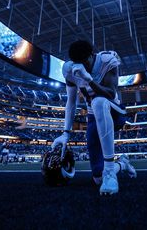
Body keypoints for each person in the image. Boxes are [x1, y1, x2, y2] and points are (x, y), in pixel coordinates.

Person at [52, 40, 137, 195]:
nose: (83, 67)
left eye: (86, 62)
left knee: (98, 102)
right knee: (97, 177)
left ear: (92, 55)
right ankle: (122, 164)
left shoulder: (107, 60)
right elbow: (71, 102)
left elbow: (111, 93)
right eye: (79, 63)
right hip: (93, 116)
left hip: (114, 110)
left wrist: (89, 80)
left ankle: (110, 172)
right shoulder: (69, 70)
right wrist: (65, 133)